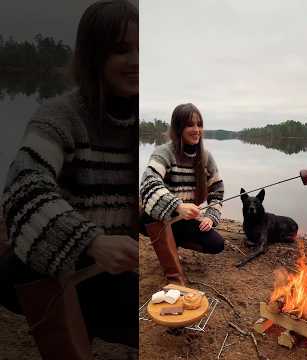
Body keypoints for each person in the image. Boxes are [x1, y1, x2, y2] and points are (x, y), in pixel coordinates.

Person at [0, 0, 139, 354]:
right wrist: (91, 242)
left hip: (120, 268)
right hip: (62, 264)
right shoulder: (59, 117)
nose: (137, 62)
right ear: (94, 56)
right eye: (122, 50)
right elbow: (22, 191)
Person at [140, 103, 225, 256]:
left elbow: (217, 190)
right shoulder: (164, 152)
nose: (196, 130)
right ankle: (167, 242)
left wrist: (210, 217)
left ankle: (172, 240)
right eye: (190, 125)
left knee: (216, 244)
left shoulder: (206, 157)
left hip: (184, 219)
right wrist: (177, 206)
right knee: (140, 220)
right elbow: (149, 184)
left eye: (199, 124)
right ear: (178, 128)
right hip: (159, 215)